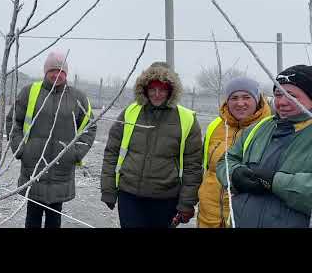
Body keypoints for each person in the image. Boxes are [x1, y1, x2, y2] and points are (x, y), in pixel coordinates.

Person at [101, 62, 203, 228]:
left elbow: (193, 166)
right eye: (152, 89)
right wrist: (108, 189)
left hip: (166, 199)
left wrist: (186, 203)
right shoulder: (130, 113)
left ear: (171, 90)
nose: (157, 94)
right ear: (144, 89)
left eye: (162, 89)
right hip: (130, 196)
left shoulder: (187, 119)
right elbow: (111, 152)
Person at [6, 51, 97, 228]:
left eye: (61, 71)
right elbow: (13, 121)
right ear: (46, 72)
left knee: (54, 217)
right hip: (33, 166)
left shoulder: (77, 97)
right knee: (32, 216)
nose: (57, 75)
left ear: (66, 74)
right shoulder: (29, 92)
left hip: (61, 167)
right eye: (53, 70)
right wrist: (20, 149)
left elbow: (89, 126)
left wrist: (75, 153)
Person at [216, 65, 312, 228]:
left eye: (291, 95)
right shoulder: (260, 127)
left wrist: (275, 181)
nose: (281, 102)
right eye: (278, 94)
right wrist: (234, 174)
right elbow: (226, 160)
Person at [197, 77, 271, 228]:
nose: (240, 103)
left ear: (257, 99)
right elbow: (206, 169)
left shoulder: (270, 127)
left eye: (246, 97)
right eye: (234, 98)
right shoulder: (215, 126)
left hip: (245, 217)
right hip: (208, 216)